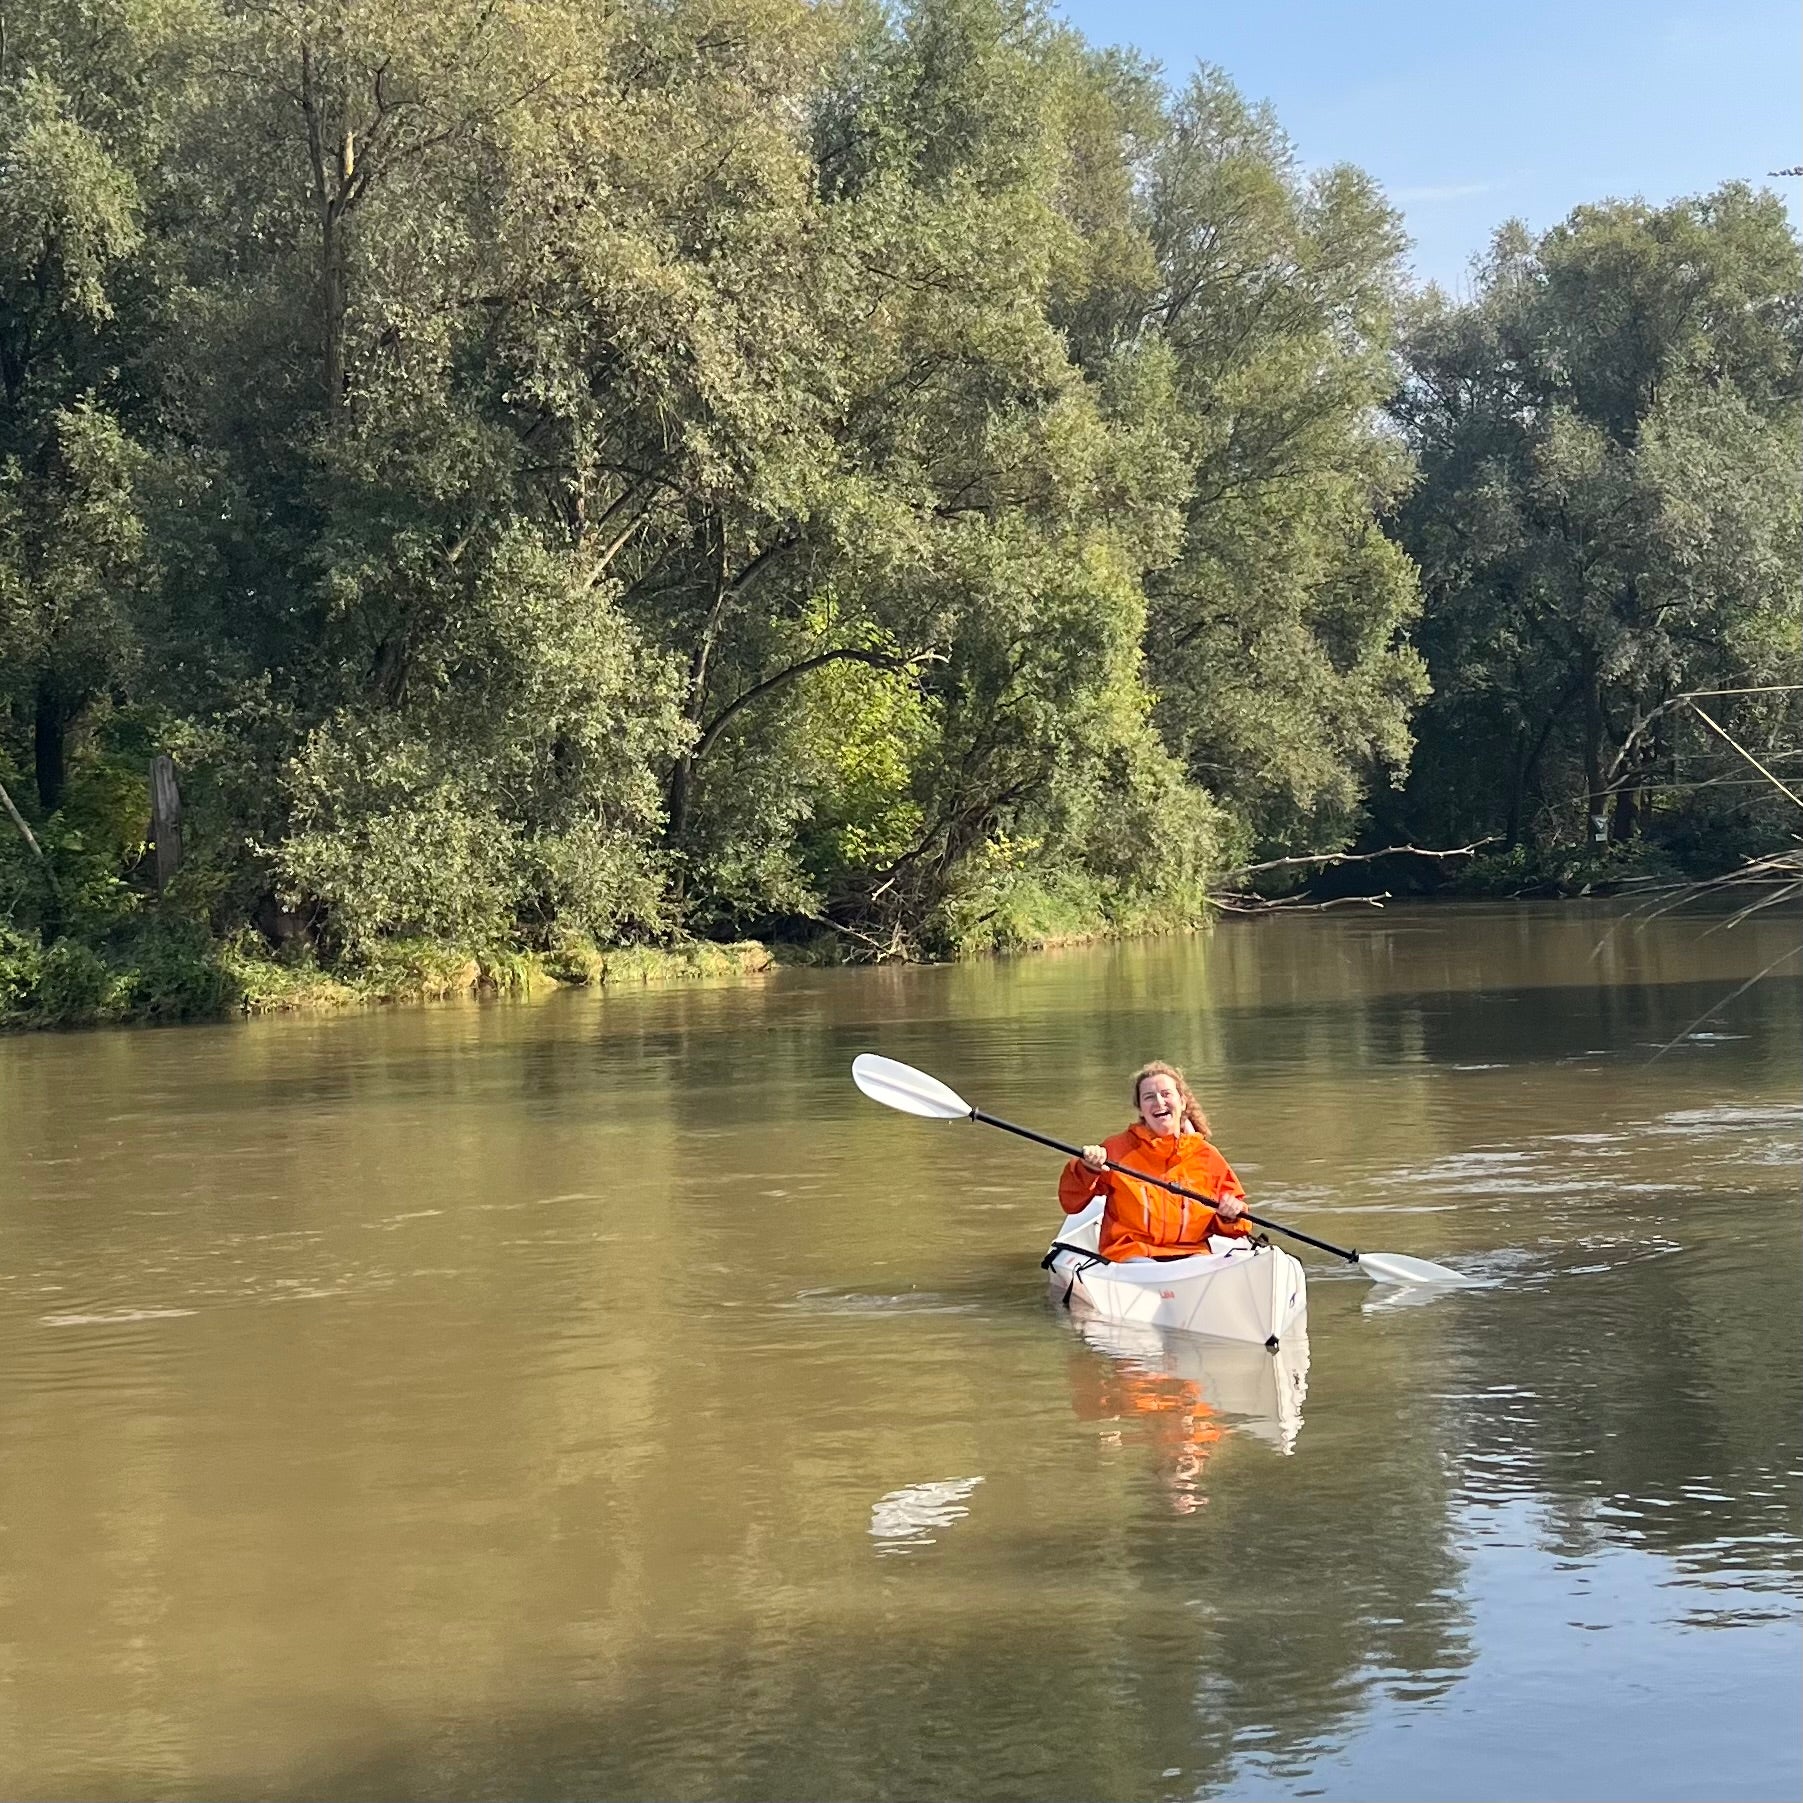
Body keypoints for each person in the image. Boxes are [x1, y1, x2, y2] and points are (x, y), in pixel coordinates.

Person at [1057, 1061, 1249, 1262]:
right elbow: (1071, 1204)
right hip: (1132, 1255)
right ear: (1140, 1110)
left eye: (1166, 1094)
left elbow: (1238, 1224)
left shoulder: (1207, 1156)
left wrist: (1231, 1214)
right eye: (1149, 1097)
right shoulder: (1115, 1149)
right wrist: (1087, 1168)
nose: (1159, 1102)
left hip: (1193, 1256)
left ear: (1182, 1102)